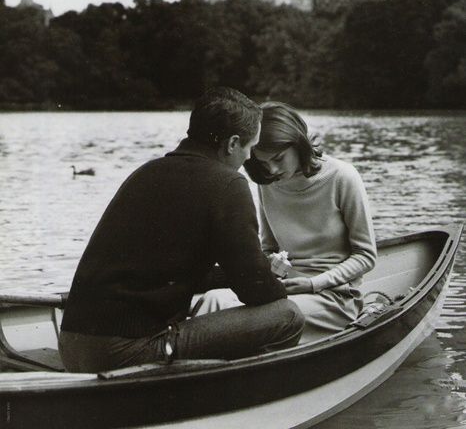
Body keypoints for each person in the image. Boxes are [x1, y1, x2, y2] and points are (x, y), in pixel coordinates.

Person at [59, 88, 304, 373]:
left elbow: (170, 274)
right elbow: (256, 291)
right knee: (287, 316)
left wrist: (254, 270)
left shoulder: (147, 172)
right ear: (232, 144)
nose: (248, 159)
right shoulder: (228, 184)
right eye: (250, 149)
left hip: (72, 346)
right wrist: (275, 282)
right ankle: (236, 397)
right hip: (123, 353)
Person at [198, 101, 377, 344]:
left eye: (279, 158)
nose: (271, 169)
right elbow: (268, 248)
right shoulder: (267, 185)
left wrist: (313, 283)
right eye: (262, 162)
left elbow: (366, 255)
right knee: (212, 300)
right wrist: (270, 265)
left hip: (333, 297)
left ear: (298, 143)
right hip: (283, 291)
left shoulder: (343, 177)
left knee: (248, 322)